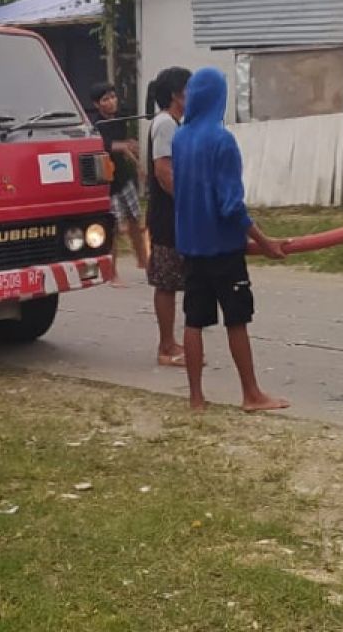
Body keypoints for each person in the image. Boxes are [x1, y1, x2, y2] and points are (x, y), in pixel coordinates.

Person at [172, 67, 292, 412]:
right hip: (223, 248)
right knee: (236, 319)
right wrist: (265, 242)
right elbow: (231, 206)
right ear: (219, 98)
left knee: (194, 320)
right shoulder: (222, 140)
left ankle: (195, 398)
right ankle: (251, 394)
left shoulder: (181, 137)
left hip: (191, 247)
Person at [146, 67, 191, 367]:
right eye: (189, 89)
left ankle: (172, 342)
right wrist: (188, 202)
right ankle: (166, 346)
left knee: (173, 278)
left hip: (171, 211)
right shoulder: (165, 124)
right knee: (166, 281)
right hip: (167, 213)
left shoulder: (173, 123)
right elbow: (164, 171)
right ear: (176, 94)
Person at [91, 82, 148, 284]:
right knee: (113, 227)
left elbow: (124, 147)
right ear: (97, 105)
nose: (111, 102)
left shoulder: (121, 119)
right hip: (109, 183)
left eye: (113, 97)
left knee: (135, 218)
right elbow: (106, 145)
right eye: (105, 99)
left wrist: (138, 165)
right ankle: (112, 273)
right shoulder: (97, 125)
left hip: (125, 178)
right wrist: (126, 146)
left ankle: (144, 262)